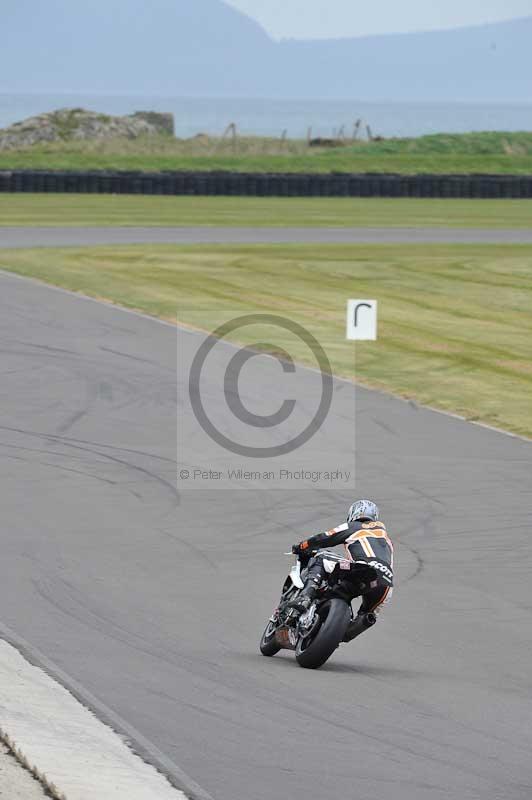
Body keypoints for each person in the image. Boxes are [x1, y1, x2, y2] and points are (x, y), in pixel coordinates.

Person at [290, 499, 393, 641]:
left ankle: (305, 598)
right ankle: (345, 633)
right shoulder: (386, 538)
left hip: (360, 569)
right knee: (367, 615)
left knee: (322, 557)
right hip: (385, 584)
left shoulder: (356, 526)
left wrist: (302, 546)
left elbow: (324, 538)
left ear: (354, 513)